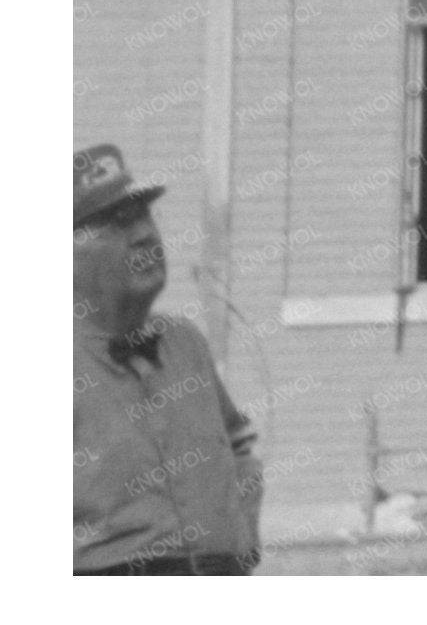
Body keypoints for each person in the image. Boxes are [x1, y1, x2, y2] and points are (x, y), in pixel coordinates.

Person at [74, 145, 262, 576]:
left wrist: (241, 536)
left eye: (145, 215)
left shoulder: (185, 343)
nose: (145, 235)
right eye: (118, 222)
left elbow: (240, 444)